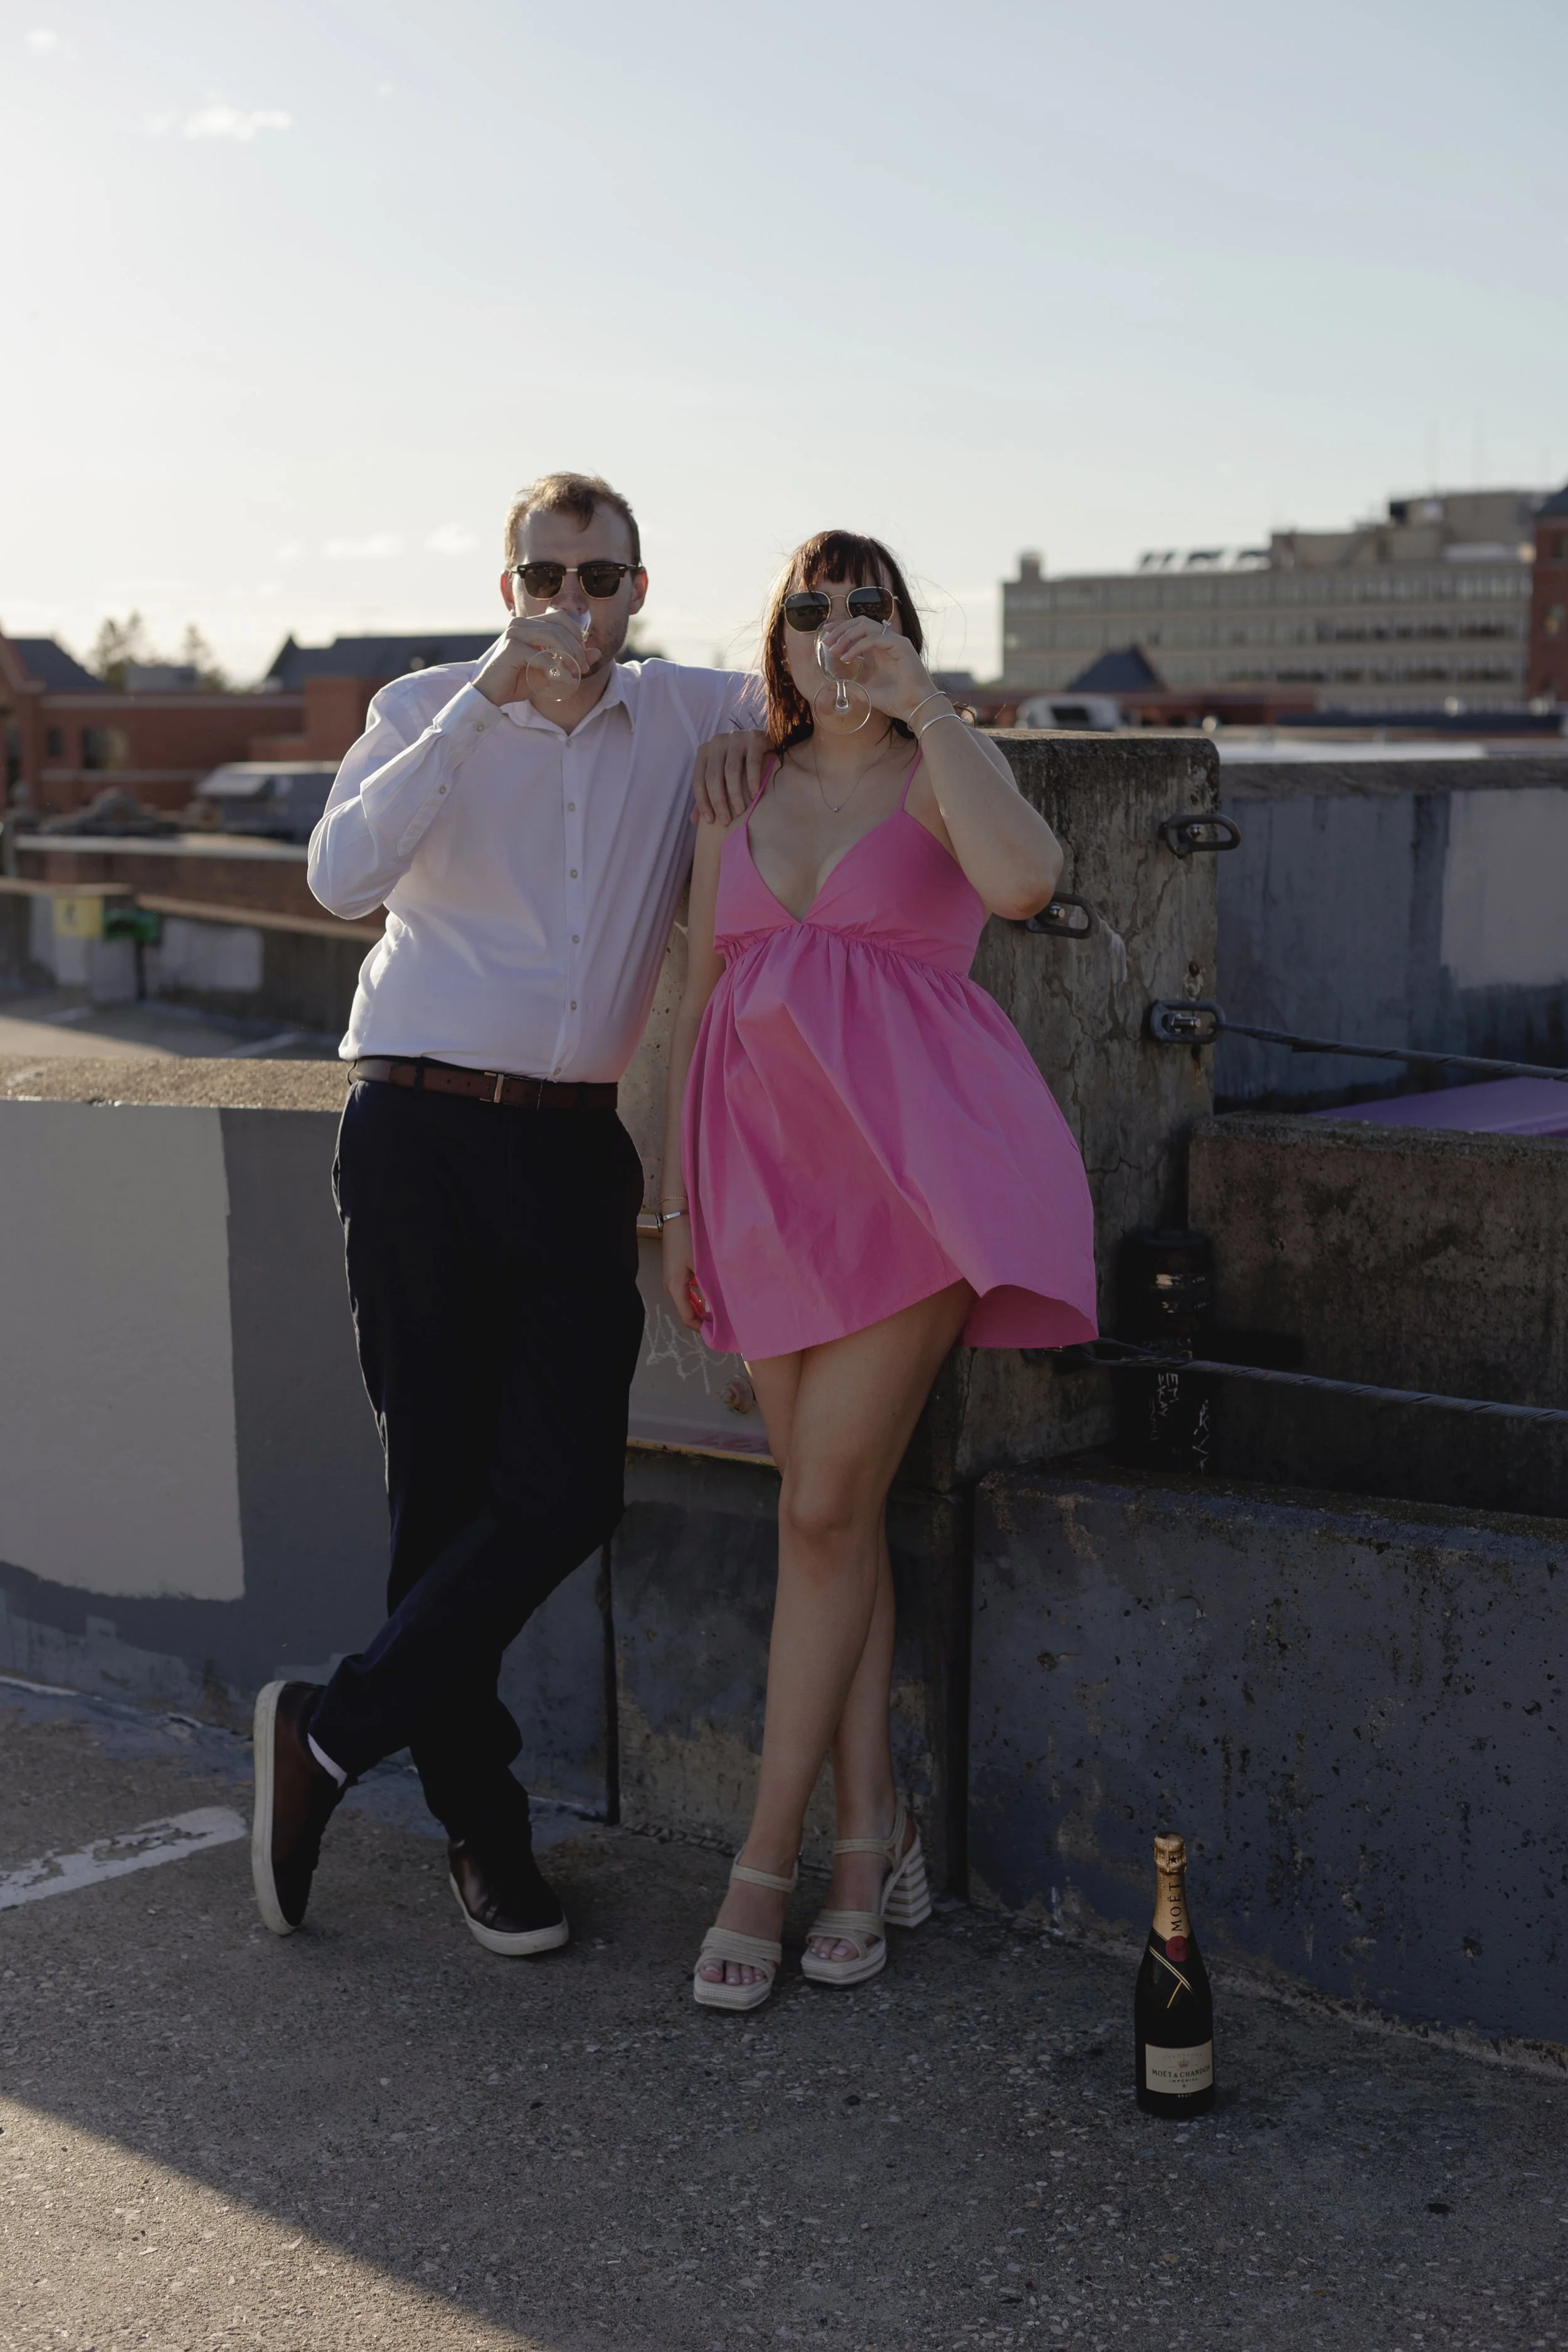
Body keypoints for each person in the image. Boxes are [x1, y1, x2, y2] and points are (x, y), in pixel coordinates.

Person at [250, 471, 769, 1955]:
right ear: (508, 588)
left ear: (638, 589)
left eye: (601, 579)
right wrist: (484, 697)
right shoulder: (426, 706)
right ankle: (484, 1834)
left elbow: (820, 702)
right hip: (412, 1129)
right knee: (437, 1494)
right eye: (546, 579)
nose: (573, 608)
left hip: (570, 1153)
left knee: (562, 1493)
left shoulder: (683, 716)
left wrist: (886, 712)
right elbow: (341, 875)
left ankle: (329, 1737)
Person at [659, 530, 1098, 2010]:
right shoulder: (733, 789)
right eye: (809, 607)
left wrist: (933, 709)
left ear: (903, 631)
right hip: (758, 1198)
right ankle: (873, 1838)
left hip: (914, 1190)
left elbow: (1028, 883)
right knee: (821, 1529)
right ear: (774, 641)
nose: (836, 626)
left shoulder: (935, 769)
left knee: (825, 1506)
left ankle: (763, 1864)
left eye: (868, 606)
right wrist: (672, 1212)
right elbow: (694, 1003)